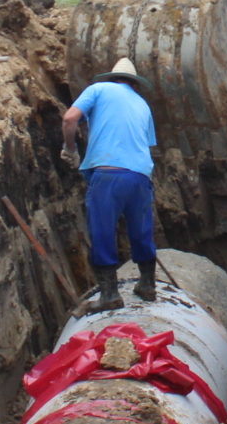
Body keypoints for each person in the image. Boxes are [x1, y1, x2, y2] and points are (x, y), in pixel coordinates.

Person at [62, 57, 158, 312]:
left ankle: (110, 294)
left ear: (112, 78)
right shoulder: (142, 104)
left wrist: (70, 149)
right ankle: (147, 285)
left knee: (103, 231)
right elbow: (146, 145)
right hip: (140, 176)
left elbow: (70, 119)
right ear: (134, 85)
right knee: (141, 230)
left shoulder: (98, 90)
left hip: (109, 173)